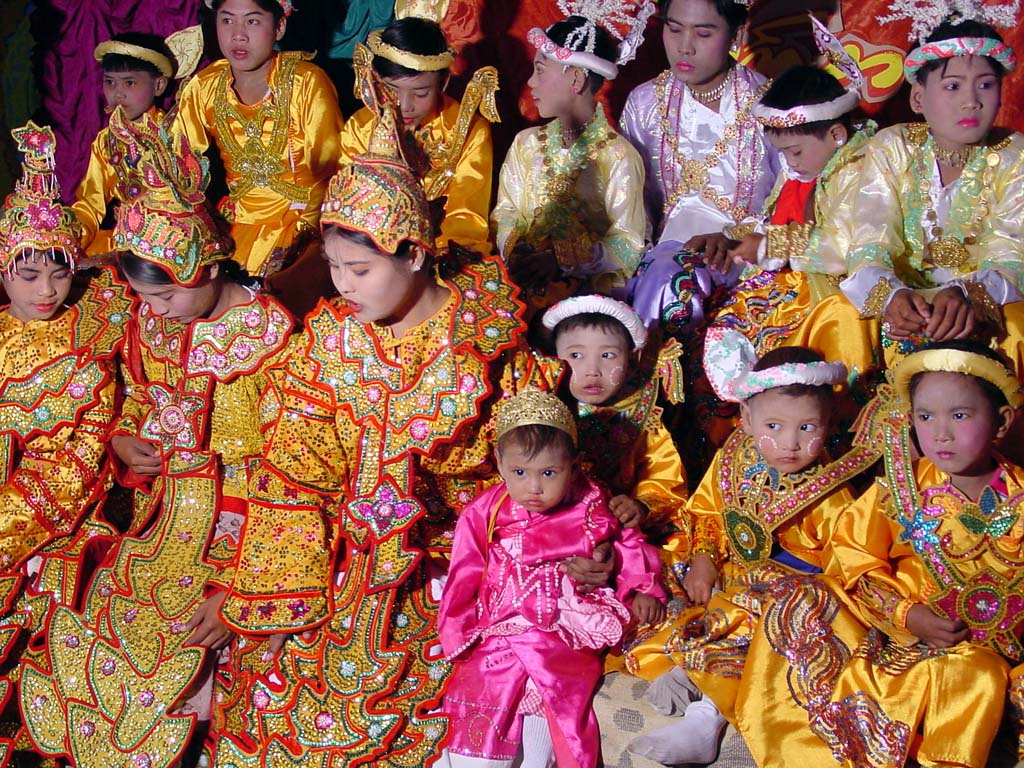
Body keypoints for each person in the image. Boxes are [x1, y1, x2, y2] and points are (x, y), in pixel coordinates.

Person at [214, 83, 560, 765]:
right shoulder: (328, 343)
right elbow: (296, 480)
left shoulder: (483, 344)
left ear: (415, 254)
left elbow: (534, 475)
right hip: (347, 573)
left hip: (461, 572)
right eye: (335, 266)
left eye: (360, 268)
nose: (342, 284)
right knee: (279, 712)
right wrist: (284, 603)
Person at [20, 106, 295, 767]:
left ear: (201, 271)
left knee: (191, 667)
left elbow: (296, 476)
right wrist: (122, 439)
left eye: (163, 298)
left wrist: (247, 586)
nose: (151, 313)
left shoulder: (275, 340)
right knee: (84, 633)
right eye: (142, 301)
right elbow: (141, 400)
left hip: (247, 534)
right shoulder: (158, 325)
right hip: (162, 520)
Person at [627, 330, 880, 766]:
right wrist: (705, 557)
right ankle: (685, 663)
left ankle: (707, 714)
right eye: (773, 427)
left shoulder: (832, 490)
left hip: (790, 591)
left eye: (807, 428)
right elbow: (707, 510)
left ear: (830, 420)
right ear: (745, 418)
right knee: (663, 572)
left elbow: (841, 569)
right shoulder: (735, 455)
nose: (789, 443)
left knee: (773, 611)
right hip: (730, 570)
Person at [439, 388, 667, 768]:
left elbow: (629, 544)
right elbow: (464, 571)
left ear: (574, 467)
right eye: (519, 473)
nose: (534, 487)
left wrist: (642, 588)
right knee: (486, 688)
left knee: (553, 698)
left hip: (563, 628)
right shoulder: (485, 511)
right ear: (499, 464)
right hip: (501, 622)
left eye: (549, 473)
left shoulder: (593, 502)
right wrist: (459, 633)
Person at [827, 340, 1024, 767]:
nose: (941, 433)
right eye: (925, 416)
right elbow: (853, 556)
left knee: (991, 678)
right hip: (913, 638)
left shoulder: (1021, 495)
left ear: (1002, 421)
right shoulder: (901, 488)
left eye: (960, 415)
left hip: (1000, 648)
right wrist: (908, 616)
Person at [0, 122, 130, 759]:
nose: (47, 292)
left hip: (63, 512)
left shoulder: (91, 333)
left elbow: (76, 461)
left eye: (58, 273)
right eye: (28, 277)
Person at [842, 6, 1024, 369]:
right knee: (840, 316)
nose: (971, 100)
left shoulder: (1016, 156)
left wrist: (969, 294)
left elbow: (1012, 257)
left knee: (1016, 324)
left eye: (985, 84)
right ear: (918, 99)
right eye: (952, 86)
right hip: (901, 306)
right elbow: (869, 245)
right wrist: (892, 295)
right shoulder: (892, 147)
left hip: (977, 307)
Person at [712, 15, 880, 376]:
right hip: (786, 277)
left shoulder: (857, 170)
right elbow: (774, 215)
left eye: (795, 151)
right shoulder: (802, 167)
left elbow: (842, 246)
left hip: (833, 285)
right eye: (784, 153)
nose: (789, 162)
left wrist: (766, 246)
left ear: (836, 134)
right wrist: (737, 236)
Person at [541, 294, 690, 679]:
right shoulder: (545, 414)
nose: (591, 371)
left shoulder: (644, 416)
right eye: (575, 356)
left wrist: (641, 506)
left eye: (608, 356)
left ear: (632, 359)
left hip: (626, 540)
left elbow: (666, 480)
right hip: (556, 539)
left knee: (668, 581)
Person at [623, 0, 779, 337]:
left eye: (703, 33)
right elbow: (629, 204)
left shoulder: (771, 106)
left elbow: (795, 200)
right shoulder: (644, 104)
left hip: (745, 258)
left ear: (737, 34)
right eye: (674, 29)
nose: (684, 47)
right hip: (657, 257)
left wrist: (736, 237)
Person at [175, 0, 344, 295]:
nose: (238, 35)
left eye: (252, 21)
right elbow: (178, 167)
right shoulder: (204, 86)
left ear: (279, 27)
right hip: (235, 225)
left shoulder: (306, 82)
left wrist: (302, 239)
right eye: (227, 21)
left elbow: (329, 174)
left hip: (303, 223)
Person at [491, 7, 649, 314]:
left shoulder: (618, 156)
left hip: (588, 293)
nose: (531, 83)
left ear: (576, 79)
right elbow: (506, 211)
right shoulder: (526, 144)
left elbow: (628, 245)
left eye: (540, 70)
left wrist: (561, 259)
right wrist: (516, 250)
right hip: (520, 278)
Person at [341, 15, 498, 257]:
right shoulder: (361, 127)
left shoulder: (468, 130)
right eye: (390, 91)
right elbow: (350, 207)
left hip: (445, 254)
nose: (405, 106)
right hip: (374, 254)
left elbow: (466, 218)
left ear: (443, 82)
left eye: (421, 93)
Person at [73, 28, 202, 255]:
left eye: (129, 83)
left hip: (179, 240)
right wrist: (71, 239)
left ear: (159, 85)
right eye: (110, 82)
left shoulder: (178, 131)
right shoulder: (106, 141)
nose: (117, 93)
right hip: (129, 242)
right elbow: (90, 205)